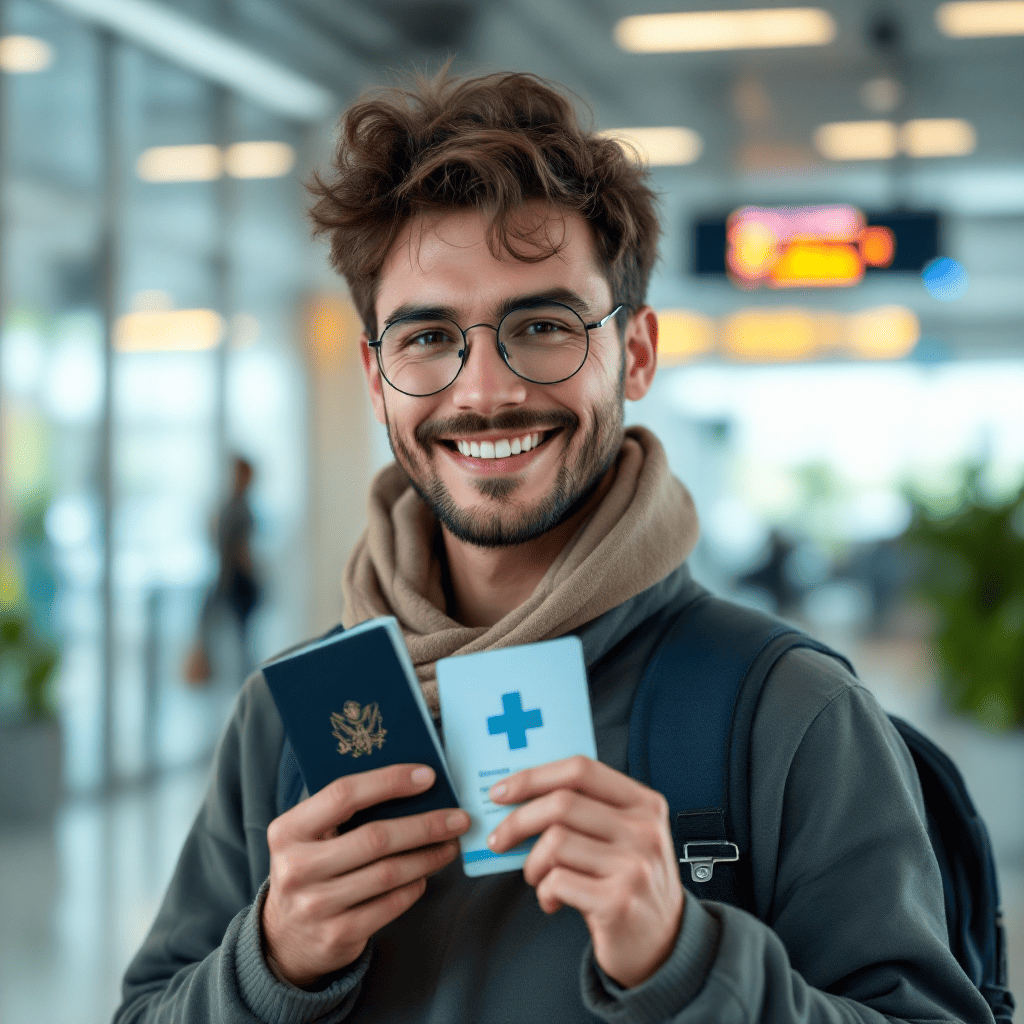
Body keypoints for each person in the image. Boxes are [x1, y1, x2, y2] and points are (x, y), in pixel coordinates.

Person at [114, 71, 994, 1024]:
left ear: (639, 353)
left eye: (542, 327)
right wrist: (269, 962)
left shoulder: (786, 711)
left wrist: (691, 963)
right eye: (428, 338)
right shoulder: (289, 719)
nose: (483, 390)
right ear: (376, 376)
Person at [184, 456, 262, 686]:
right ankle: (237, 681)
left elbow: (241, 550)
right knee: (234, 637)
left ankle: (246, 685)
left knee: (239, 638)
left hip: (235, 580)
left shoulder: (239, 508)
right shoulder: (233, 505)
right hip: (229, 578)